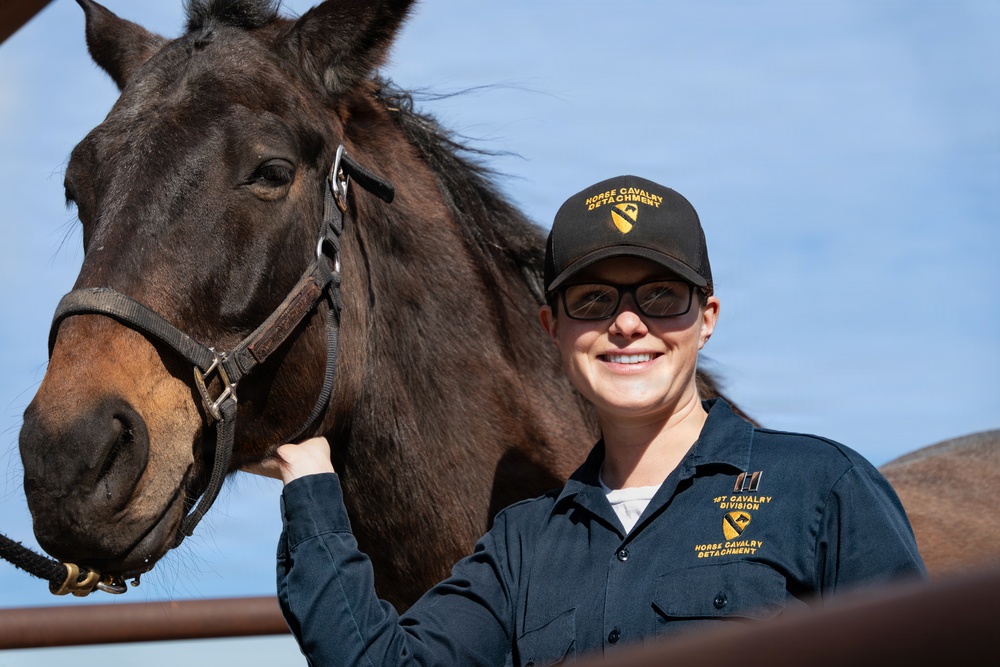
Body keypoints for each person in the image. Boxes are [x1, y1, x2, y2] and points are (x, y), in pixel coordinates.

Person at [250, 175, 926, 666]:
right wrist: (310, 487)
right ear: (554, 327)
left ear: (707, 319)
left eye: (661, 295)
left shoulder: (820, 488)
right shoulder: (523, 546)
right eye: (594, 300)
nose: (628, 322)